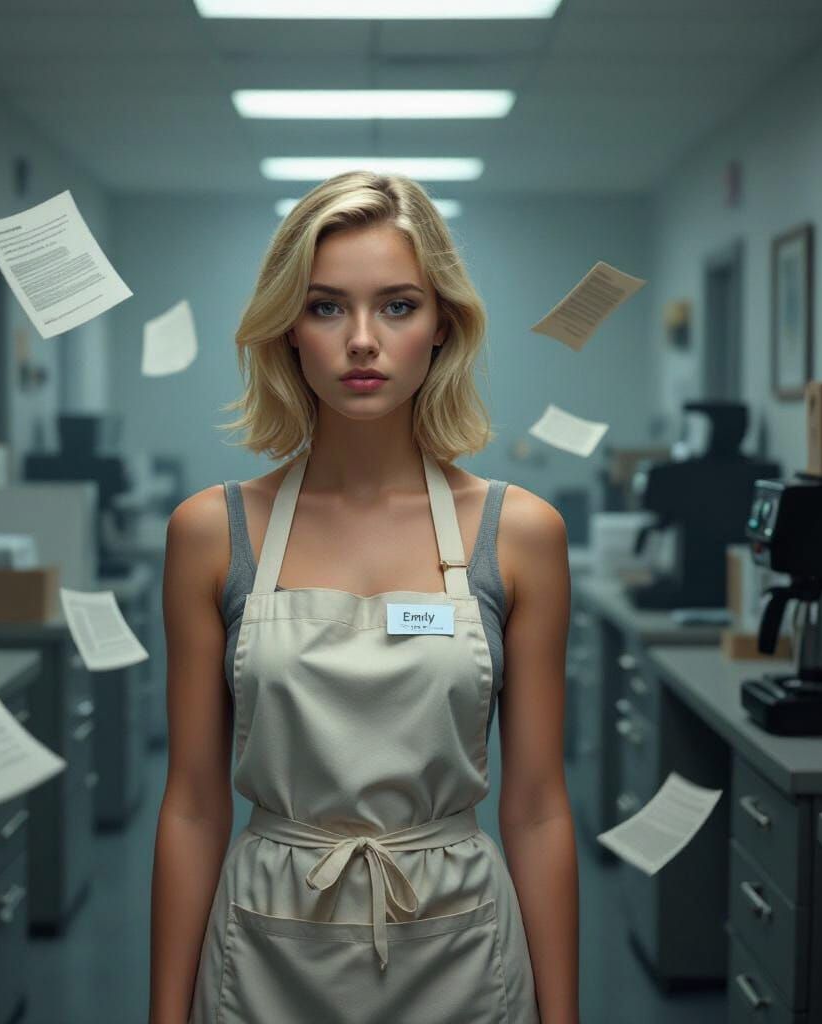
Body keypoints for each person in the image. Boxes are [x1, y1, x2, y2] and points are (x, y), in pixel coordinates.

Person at [148, 171, 579, 1024]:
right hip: (266, 950)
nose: (361, 341)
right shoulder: (211, 532)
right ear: (287, 333)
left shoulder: (519, 534)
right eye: (325, 307)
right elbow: (194, 805)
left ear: (441, 328)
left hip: (457, 949)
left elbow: (534, 810)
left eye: (396, 306)